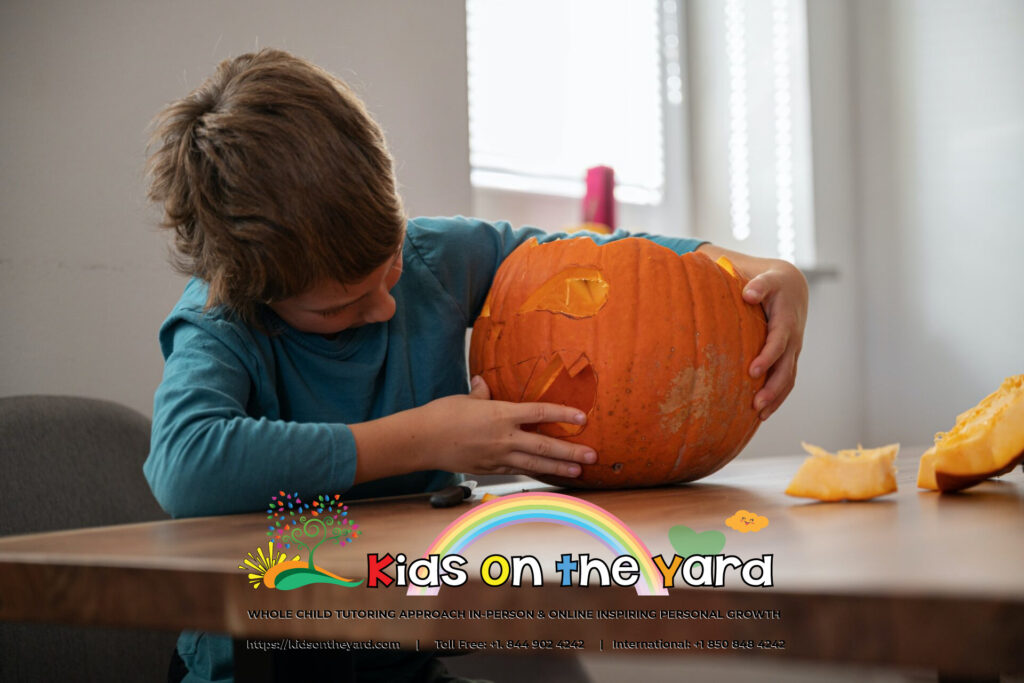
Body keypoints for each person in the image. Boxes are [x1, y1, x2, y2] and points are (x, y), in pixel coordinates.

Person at [144, 48, 807, 683]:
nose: (383, 305)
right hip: (258, 664)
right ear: (258, 290)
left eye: (389, 267)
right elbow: (187, 463)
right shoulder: (221, 319)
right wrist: (429, 437)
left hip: (401, 659)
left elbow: (601, 261)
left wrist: (758, 272)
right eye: (342, 305)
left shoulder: (435, 258)